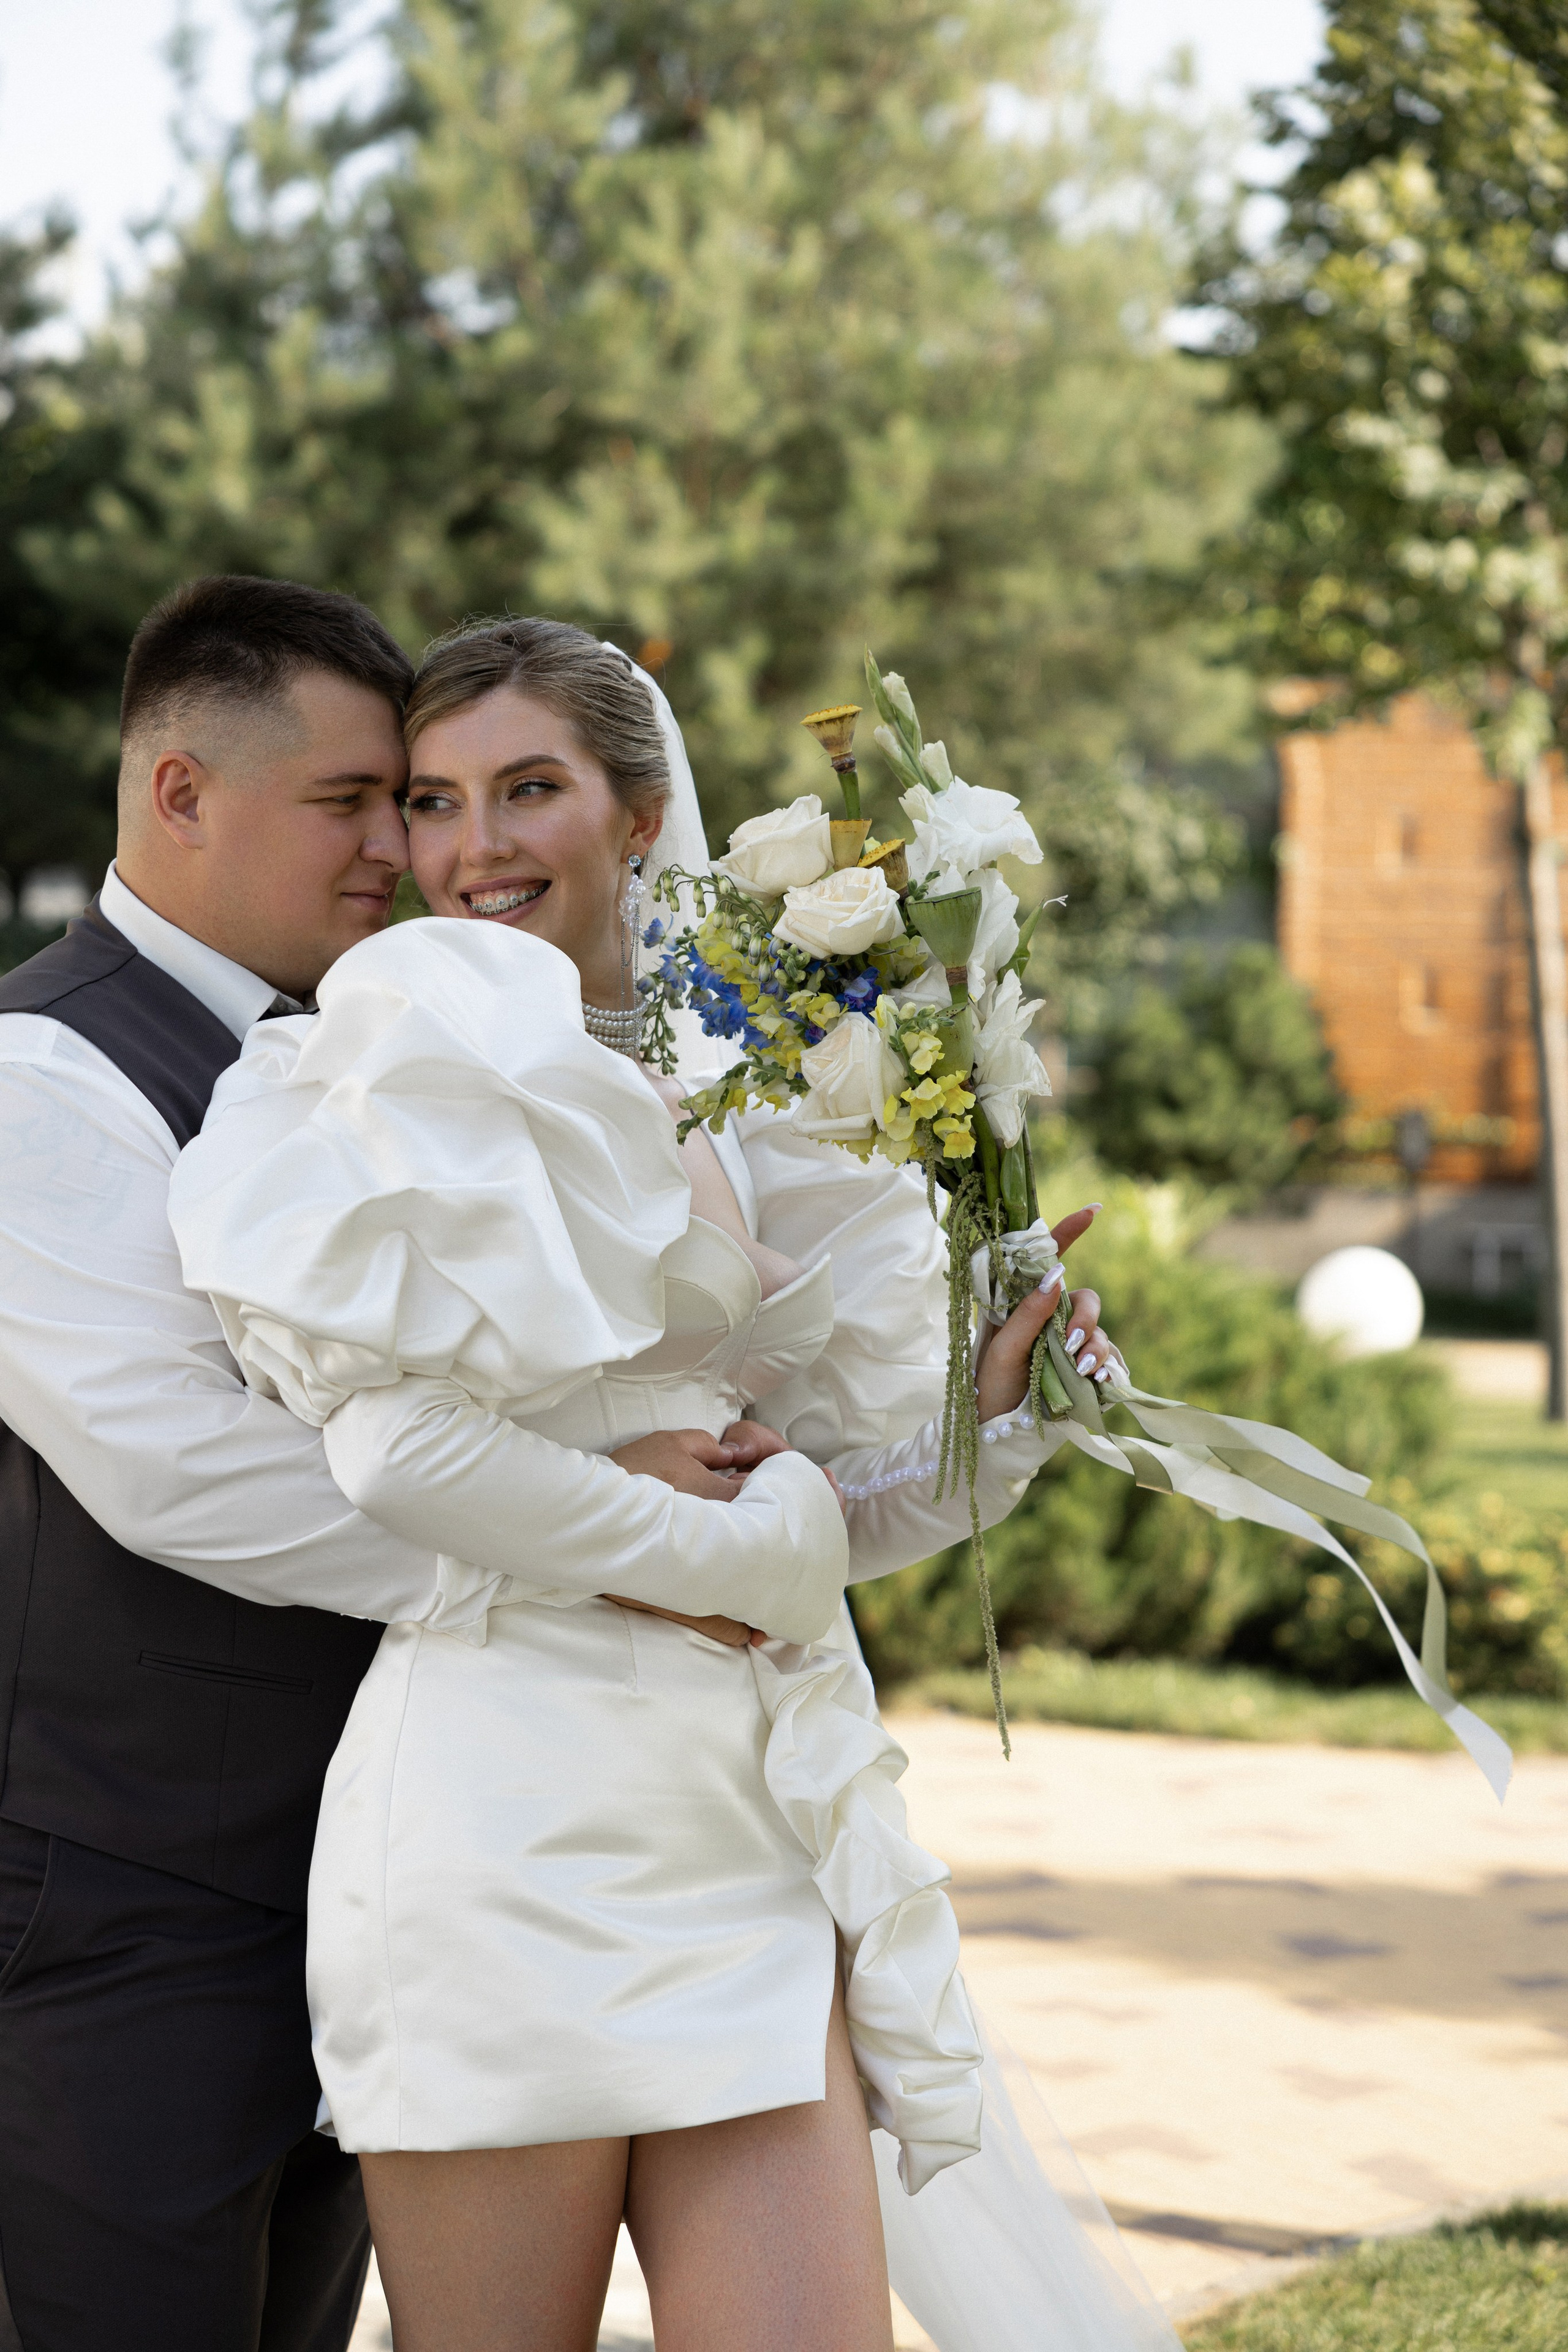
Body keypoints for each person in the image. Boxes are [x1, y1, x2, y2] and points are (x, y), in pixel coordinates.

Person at [169, 617, 1162, 2352]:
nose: (472, 846)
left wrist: (1001, 1426)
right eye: (433, 800)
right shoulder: (375, 1067)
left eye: (526, 789)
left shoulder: (742, 1084)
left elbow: (785, 1507)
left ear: (638, 817)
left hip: (746, 1825)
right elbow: (399, 1454)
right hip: (499, 1831)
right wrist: (750, 1552)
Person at [0, 578, 884, 2352]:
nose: (395, 856)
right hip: (133, 1905)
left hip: (387, 1839)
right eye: (359, 802)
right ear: (182, 793)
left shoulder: (398, 1045)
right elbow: (181, 1468)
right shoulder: (43, 1070)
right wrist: (622, 1548)